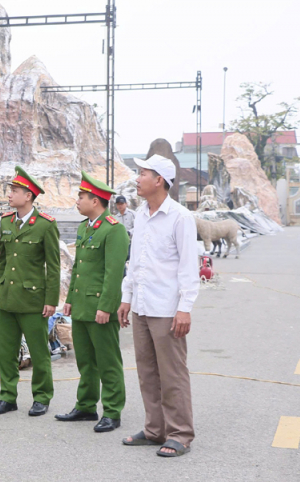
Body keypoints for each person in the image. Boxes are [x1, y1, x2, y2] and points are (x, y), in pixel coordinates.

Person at [117, 154, 199, 457]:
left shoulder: (180, 217)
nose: (137, 179)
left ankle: (180, 434)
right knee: (147, 372)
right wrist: (127, 297)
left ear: (159, 180)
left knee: (172, 373)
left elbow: (188, 267)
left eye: (143, 173)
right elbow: (135, 261)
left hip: (166, 308)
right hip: (142, 305)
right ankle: (155, 429)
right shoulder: (141, 215)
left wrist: (185, 307)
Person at [55, 171, 129, 432]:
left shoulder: (114, 230)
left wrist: (106, 307)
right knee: (85, 361)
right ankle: (86, 406)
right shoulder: (85, 227)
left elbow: (114, 273)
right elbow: (79, 268)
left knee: (108, 361)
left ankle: (112, 411)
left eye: (81, 197)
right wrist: (70, 299)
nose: (77, 201)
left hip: (100, 307)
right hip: (82, 306)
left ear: (95, 201)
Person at [0, 166, 60, 417]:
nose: (9, 194)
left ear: (28, 196)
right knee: (6, 352)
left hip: (32, 300)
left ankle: (41, 397)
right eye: (10, 190)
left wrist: (51, 300)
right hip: (8, 299)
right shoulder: (6, 221)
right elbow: (3, 261)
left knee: (39, 352)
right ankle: (7, 397)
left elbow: (53, 266)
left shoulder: (45, 225)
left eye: (15, 191)